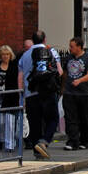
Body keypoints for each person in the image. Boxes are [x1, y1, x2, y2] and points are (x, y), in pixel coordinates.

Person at [20, 31, 61, 160]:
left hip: (30, 94)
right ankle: (43, 143)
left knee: (35, 124)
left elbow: (20, 78)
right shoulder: (51, 52)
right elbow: (59, 71)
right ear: (44, 39)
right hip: (48, 92)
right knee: (53, 119)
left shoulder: (24, 56)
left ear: (32, 41)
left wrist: (22, 97)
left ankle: (37, 152)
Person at [63, 37, 88, 151]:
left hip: (85, 94)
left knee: (85, 119)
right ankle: (72, 141)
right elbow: (64, 73)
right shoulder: (68, 58)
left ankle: (85, 141)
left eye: (72, 46)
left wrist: (79, 80)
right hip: (70, 93)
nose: (70, 48)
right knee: (70, 118)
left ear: (79, 47)